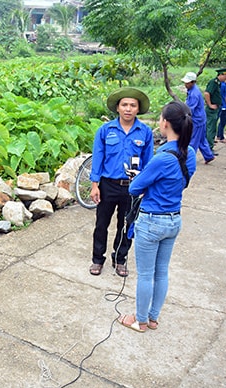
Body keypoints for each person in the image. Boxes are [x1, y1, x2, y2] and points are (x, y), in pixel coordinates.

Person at [117, 101, 197, 332]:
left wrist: (140, 178)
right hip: (174, 219)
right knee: (161, 272)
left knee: (145, 274)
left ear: (165, 123)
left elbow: (135, 188)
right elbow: (181, 181)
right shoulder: (189, 153)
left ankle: (139, 320)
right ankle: (152, 318)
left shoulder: (162, 158)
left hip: (152, 221)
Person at [89, 87, 154, 277]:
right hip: (107, 185)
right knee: (101, 224)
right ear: (117, 108)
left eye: (133, 105)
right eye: (124, 104)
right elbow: (98, 158)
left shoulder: (145, 132)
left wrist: (145, 188)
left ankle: (120, 259)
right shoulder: (105, 130)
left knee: (126, 226)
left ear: (138, 109)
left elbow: (149, 162)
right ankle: (97, 260)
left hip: (132, 187)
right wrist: (95, 185)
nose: (128, 109)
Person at [181, 71, 215, 164]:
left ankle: (189, 159)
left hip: (197, 120)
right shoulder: (193, 90)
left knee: (193, 140)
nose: (185, 84)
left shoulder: (194, 94)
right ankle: (208, 156)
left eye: (187, 83)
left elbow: (190, 109)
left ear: (193, 82)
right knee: (201, 139)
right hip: (201, 118)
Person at [204, 67, 226, 153]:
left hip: (217, 108)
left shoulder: (219, 83)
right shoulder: (213, 82)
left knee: (213, 127)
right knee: (210, 128)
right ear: (221, 75)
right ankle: (208, 148)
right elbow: (207, 93)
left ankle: (209, 146)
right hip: (212, 109)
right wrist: (210, 104)